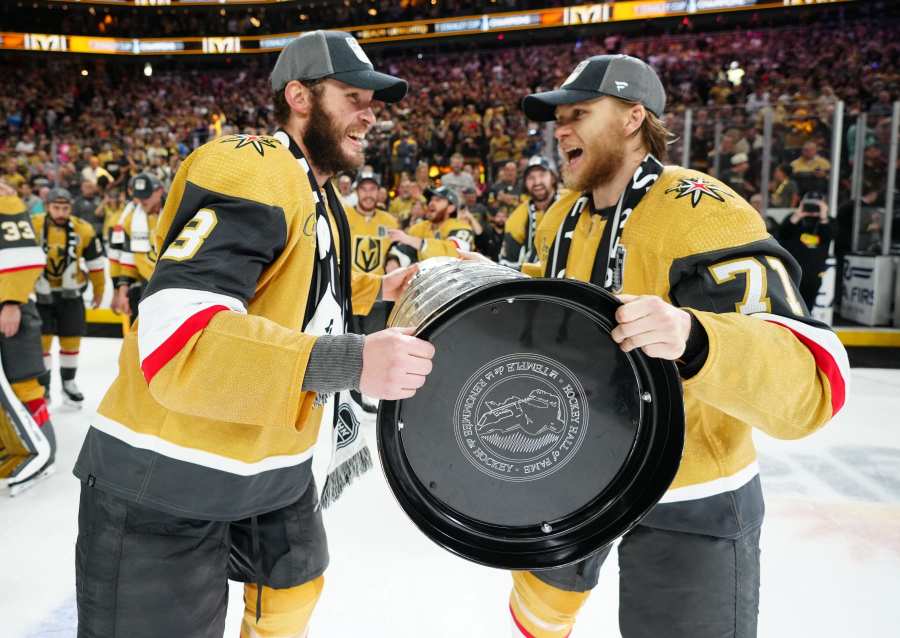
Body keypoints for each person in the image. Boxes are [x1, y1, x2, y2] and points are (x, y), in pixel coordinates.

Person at [73, 30, 432, 638]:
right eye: (353, 97)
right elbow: (180, 337)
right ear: (299, 96)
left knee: (295, 585)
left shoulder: (318, 193)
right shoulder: (250, 167)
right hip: (166, 473)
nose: (371, 115)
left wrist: (378, 290)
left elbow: (297, 287)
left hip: (267, 464)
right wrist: (350, 361)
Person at [505, 54, 849, 638]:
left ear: (634, 117)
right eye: (558, 117)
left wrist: (696, 338)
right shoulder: (564, 214)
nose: (560, 129)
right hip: (578, 475)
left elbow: (808, 386)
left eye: (579, 113)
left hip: (689, 493)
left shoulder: (701, 209)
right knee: (537, 616)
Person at [0, 181, 57, 495]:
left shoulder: (5, 202)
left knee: (22, 379)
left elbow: (24, 256)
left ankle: (43, 452)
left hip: (10, 306)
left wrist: (11, 302)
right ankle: (11, 446)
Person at [31, 187, 105, 407]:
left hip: (71, 294)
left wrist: (99, 290)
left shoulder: (84, 229)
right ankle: (43, 388)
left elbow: (96, 265)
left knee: (71, 340)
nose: (61, 212)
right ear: (47, 207)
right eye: (56, 208)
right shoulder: (32, 225)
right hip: (39, 294)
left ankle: (69, 384)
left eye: (65, 208)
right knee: (42, 343)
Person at [346, 173, 399, 334]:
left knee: (375, 343)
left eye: (372, 189)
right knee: (349, 344)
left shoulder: (390, 221)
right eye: (363, 189)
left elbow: (397, 249)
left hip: (378, 292)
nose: (368, 194)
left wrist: (394, 259)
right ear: (356, 191)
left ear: (379, 192)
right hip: (350, 290)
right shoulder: (343, 215)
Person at [109, 172, 165, 322]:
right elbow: (126, 258)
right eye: (138, 195)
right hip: (146, 285)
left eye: (146, 195)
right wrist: (120, 293)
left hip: (175, 283)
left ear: (159, 191)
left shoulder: (177, 213)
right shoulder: (129, 220)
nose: (141, 200)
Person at [386, 185, 474, 267]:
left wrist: (419, 243)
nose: (431, 203)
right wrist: (394, 261)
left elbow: (455, 253)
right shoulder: (419, 228)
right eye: (431, 200)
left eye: (438, 200)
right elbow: (405, 251)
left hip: (455, 280)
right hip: (426, 280)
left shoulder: (462, 228)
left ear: (450, 208)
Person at [500, 155, 560, 269]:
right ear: (525, 183)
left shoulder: (571, 203)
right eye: (531, 177)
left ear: (552, 177)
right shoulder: (516, 218)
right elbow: (507, 266)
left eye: (542, 175)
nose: (537, 182)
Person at [778, 193, 834, 309]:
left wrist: (823, 217)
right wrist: (798, 215)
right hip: (791, 272)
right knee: (787, 307)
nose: (813, 208)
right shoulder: (794, 218)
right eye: (810, 204)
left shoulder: (828, 221)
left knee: (807, 308)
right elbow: (782, 234)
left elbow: (829, 235)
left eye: (817, 204)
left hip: (813, 274)